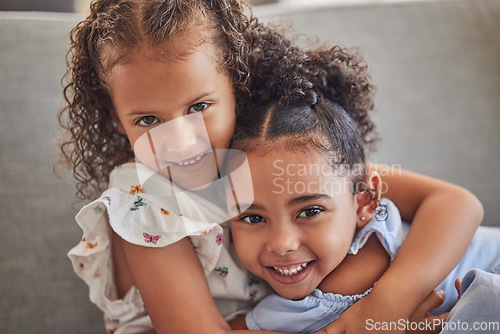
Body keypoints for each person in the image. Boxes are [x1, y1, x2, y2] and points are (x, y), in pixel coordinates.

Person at [57, 0, 484, 333]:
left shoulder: (271, 149)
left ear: (236, 85)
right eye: (147, 121)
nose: (182, 142)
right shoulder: (143, 197)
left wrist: (387, 305)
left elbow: (453, 202)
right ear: (117, 119)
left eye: (200, 107)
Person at [226, 87, 500, 333]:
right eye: (253, 217)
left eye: (310, 212)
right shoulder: (358, 201)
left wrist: (387, 305)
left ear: (366, 201)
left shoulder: (343, 285)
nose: (282, 243)